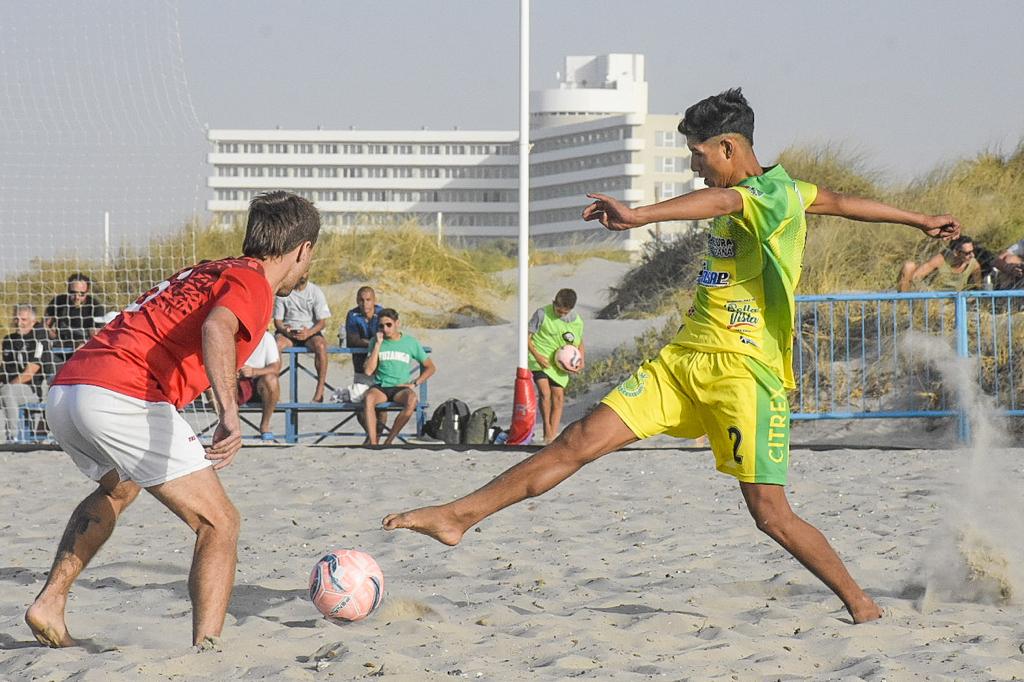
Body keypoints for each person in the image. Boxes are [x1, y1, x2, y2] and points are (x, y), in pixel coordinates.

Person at [383, 88, 961, 625]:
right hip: (683, 362)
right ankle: (458, 517)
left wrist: (639, 215)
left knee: (770, 514)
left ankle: (862, 605)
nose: (693, 165)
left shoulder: (768, 197)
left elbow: (724, 198)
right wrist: (918, 219)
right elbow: (837, 201)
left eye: (697, 153)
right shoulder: (789, 189)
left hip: (745, 375)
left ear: (728, 147)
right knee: (578, 440)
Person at [26, 190, 319, 649]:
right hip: (124, 394)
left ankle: (50, 602)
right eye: (310, 258)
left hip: (68, 390)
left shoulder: (207, 270)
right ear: (303, 249)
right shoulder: (255, 283)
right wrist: (229, 413)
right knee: (220, 523)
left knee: (119, 488)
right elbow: (216, 328)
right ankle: (207, 650)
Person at [362, 308, 436, 446]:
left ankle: (389, 440)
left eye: (388, 325)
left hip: (400, 387)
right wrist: (377, 345)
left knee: (412, 400)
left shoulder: (410, 342)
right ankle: (373, 442)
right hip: (381, 387)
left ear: (397, 323)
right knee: (369, 399)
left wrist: (415, 383)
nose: (385, 329)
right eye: (381, 326)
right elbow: (368, 371)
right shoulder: (375, 341)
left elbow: (430, 367)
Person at [527, 288, 585, 443]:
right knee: (545, 393)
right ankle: (547, 430)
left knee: (558, 397)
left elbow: (579, 342)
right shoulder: (542, 314)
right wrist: (537, 356)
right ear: (554, 303)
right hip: (539, 359)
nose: (561, 314)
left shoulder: (576, 321)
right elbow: (527, 336)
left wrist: (580, 360)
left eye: (565, 313)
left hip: (559, 363)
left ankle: (552, 435)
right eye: (558, 310)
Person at [274, 275, 331, 402]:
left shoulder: (315, 292)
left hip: (310, 332)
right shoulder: (283, 292)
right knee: (276, 346)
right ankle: (274, 390)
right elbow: (278, 321)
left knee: (321, 346)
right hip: (288, 332)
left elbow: (322, 322)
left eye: (305, 272)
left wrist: (309, 332)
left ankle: (320, 390)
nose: (302, 275)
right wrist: (286, 331)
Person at [1, 304, 51, 442]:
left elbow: (29, 373)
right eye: (16, 319)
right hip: (9, 387)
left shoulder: (39, 339)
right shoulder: (9, 340)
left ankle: (13, 436)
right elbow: (5, 369)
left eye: (23, 319)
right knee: (5, 391)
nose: (19, 323)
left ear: (33, 321)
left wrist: (6, 386)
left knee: (7, 391)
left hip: (32, 390)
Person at [237, 330, 281, 441]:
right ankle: (231, 427)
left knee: (271, 380)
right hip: (236, 381)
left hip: (258, 383)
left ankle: (265, 425)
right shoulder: (232, 336)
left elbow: (275, 368)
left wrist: (253, 371)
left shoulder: (266, 337)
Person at [896, 235, 981, 292]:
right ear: (956, 252)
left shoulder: (973, 264)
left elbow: (978, 287)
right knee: (908, 266)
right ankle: (902, 303)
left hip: (955, 303)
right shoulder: (939, 260)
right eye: (967, 253)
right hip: (934, 300)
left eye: (972, 251)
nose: (972, 255)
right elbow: (915, 277)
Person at [44, 273, 106, 349]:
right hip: (61, 347)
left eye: (81, 294)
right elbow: (45, 325)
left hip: (86, 347)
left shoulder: (95, 307)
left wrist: (85, 344)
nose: (77, 297)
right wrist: (55, 338)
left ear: (87, 292)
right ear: (68, 290)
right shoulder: (58, 302)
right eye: (73, 293)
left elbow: (99, 335)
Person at [344, 285, 383, 385]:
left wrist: (364, 341)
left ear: (374, 301)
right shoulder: (352, 314)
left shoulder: (382, 313)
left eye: (368, 300)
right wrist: (373, 343)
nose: (365, 303)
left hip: (381, 364)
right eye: (361, 300)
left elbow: (386, 339)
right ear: (357, 301)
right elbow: (352, 341)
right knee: (360, 392)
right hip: (360, 362)